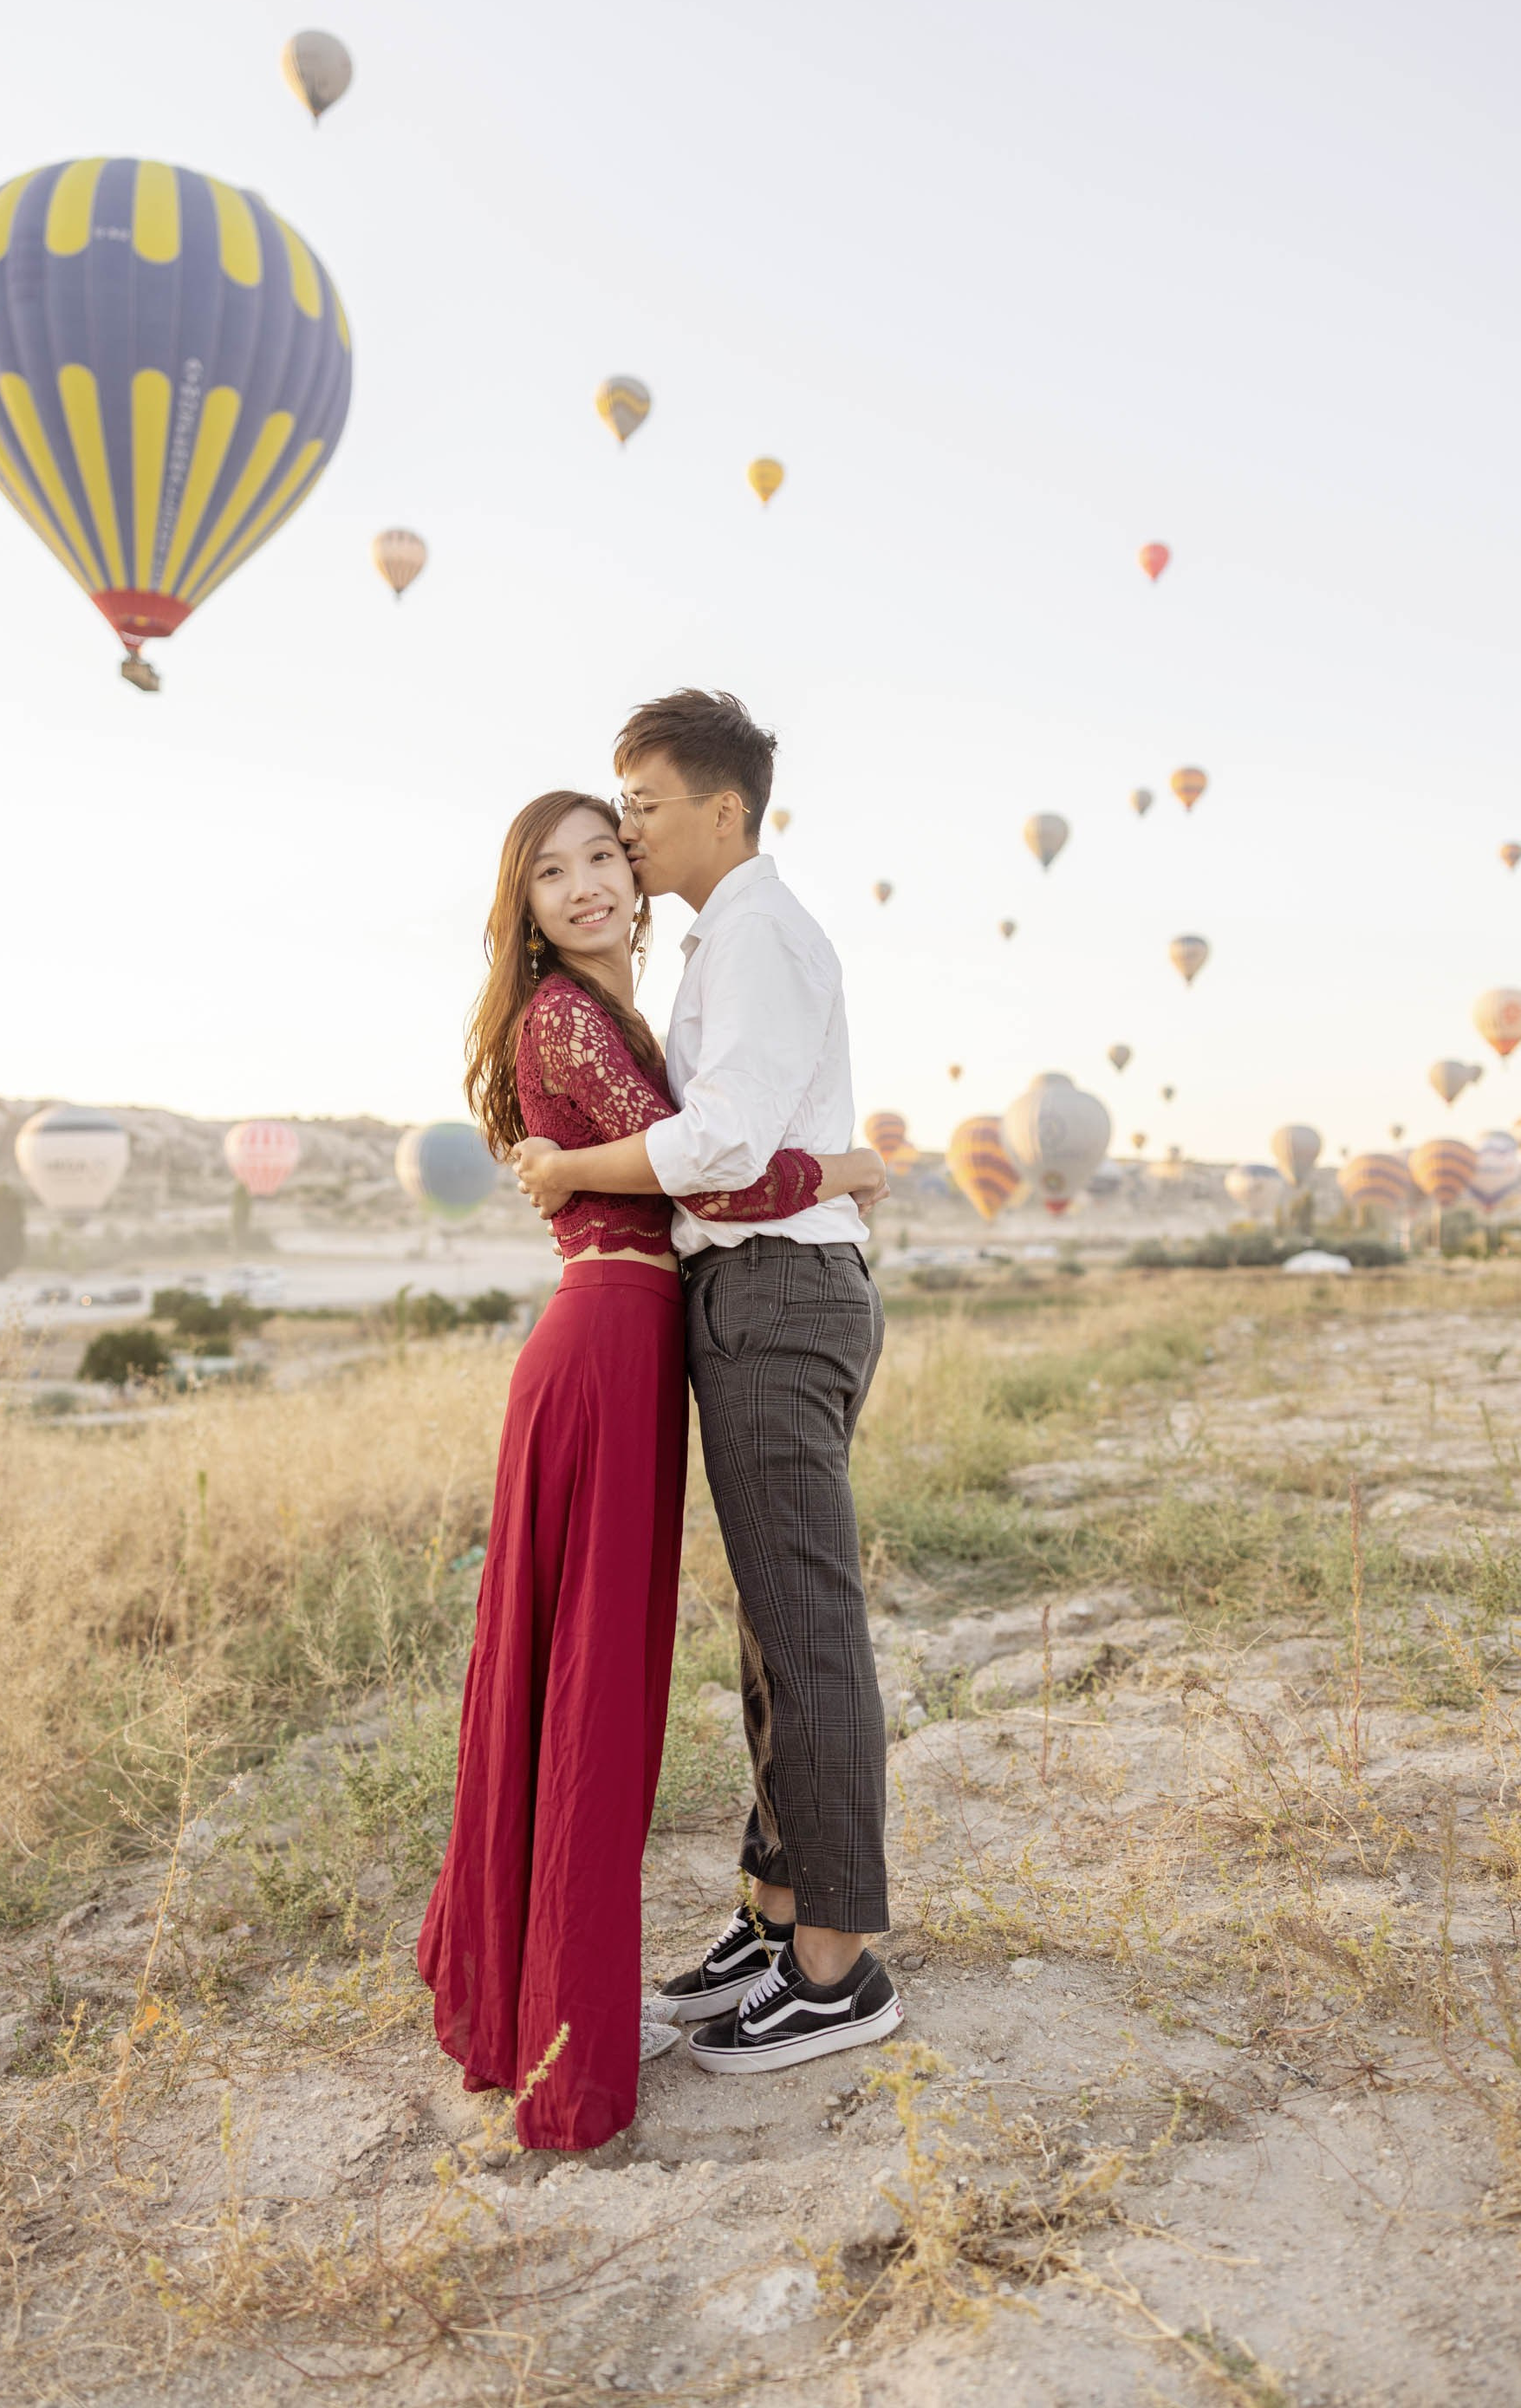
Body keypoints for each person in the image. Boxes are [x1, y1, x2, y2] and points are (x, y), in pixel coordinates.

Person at [417, 789, 885, 2152]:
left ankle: (567, 1985)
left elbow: (690, 1157)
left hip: (636, 1344)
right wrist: (855, 1162)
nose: (584, 887)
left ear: (638, 867)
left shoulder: (640, 1010)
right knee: (587, 1683)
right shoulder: (566, 1016)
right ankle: (558, 2011)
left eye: (603, 856)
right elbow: (718, 1184)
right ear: (524, 905)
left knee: (598, 1676)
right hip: (605, 1348)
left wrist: (577, 1162)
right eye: (549, 872)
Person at [513, 692, 904, 2078]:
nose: (623, 831)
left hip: (776, 1290)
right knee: (767, 1629)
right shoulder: (717, 946)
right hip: (759, 1289)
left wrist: (565, 1170)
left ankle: (838, 1967)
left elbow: (722, 1147)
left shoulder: (755, 938)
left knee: (806, 1628)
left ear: (722, 811)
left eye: (642, 806)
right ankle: (780, 1908)